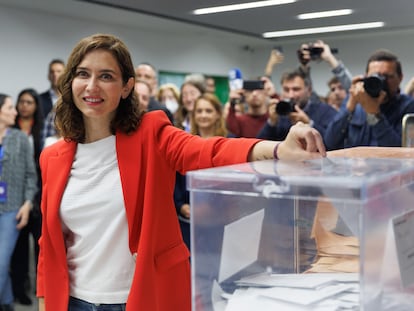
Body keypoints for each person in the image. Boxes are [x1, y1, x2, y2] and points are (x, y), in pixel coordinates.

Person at [35, 33, 326, 311]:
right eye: (83, 74)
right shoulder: (53, 157)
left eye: (106, 76)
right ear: (70, 81)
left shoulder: (150, 134)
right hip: (74, 301)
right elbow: (48, 247)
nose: (92, 86)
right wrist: (45, 302)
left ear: (126, 87)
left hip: (140, 297)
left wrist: (276, 149)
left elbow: (208, 151)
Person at [324, 49, 414, 150]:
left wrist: (374, 114)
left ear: (400, 78)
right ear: (366, 77)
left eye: (387, 77)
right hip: (354, 165)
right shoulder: (356, 101)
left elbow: (400, 153)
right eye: (375, 77)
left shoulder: (408, 106)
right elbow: (329, 142)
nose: (381, 82)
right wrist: (349, 108)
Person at [174, 93, 229, 250]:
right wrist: (180, 205)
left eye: (208, 111)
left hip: (219, 221)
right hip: (188, 220)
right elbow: (176, 179)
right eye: (199, 111)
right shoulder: (185, 143)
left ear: (218, 113)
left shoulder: (229, 142)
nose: (203, 115)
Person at [0, 93, 37, 311]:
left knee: (1, 263)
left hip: (11, 208)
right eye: (9, 107)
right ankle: (6, 303)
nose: (16, 111)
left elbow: (31, 175)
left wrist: (27, 204)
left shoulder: (20, 138)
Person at [10, 88, 44, 306]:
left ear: (35, 106)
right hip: (17, 195)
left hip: (40, 195)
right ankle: (19, 289)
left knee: (40, 247)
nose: (24, 106)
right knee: (19, 249)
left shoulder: (41, 131)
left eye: (29, 102)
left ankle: (40, 288)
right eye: (21, 102)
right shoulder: (10, 130)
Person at [257, 69, 337, 141]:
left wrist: (309, 124)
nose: (290, 95)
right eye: (286, 90)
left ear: (309, 91)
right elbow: (260, 146)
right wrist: (271, 123)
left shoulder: (326, 111)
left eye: (296, 89)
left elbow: (334, 142)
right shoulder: (280, 113)